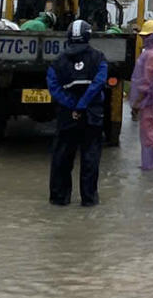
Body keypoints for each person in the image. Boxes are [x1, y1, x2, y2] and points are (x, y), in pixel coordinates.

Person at [46, 19, 108, 205]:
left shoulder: (57, 62)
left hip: (68, 115)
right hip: (92, 115)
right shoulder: (99, 58)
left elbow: (54, 88)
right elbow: (98, 83)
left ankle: (59, 199)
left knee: (62, 158)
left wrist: (73, 106)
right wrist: (82, 105)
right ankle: (89, 200)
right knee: (90, 159)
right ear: (88, 36)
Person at [129, 18, 153, 171]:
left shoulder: (151, 55)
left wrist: (137, 102)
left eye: (147, 36)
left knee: (149, 130)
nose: (145, 39)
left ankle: (150, 164)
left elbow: (146, 82)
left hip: (150, 97)